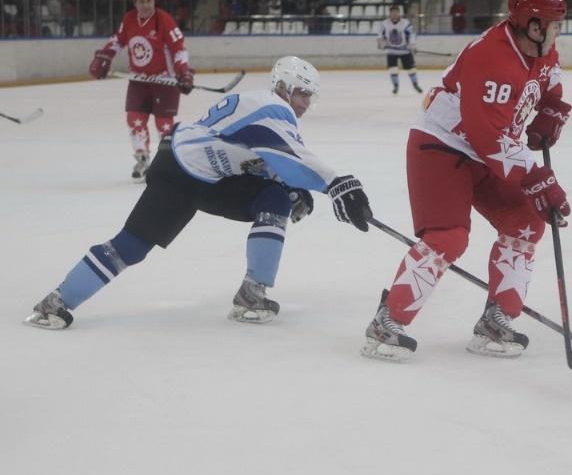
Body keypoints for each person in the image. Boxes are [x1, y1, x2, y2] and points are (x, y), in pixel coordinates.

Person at [24, 57, 373, 330]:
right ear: (283, 86)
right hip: (181, 171)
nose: (306, 103)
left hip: (210, 175)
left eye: (310, 96)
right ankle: (57, 301)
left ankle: (252, 294)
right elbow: (290, 156)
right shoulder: (272, 109)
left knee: (276, 199)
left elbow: (263, 159)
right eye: (303, 93)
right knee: (132, 245)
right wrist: (336, 182)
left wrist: (294, 190)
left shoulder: (265, 109)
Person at [360, 0, 572, 363]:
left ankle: (496, 320)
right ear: (534, 25)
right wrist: (539, 177)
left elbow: (549, 81)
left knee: (526, 220)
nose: (559, 33)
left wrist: (552, 109)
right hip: (441, 147)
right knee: (448, 238)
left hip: (486, 151)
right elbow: (488, 138)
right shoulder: (494, 59)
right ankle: (386, 321)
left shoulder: (542, 48)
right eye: (555, 25)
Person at [88, 0, 195, 182]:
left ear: (154, 0)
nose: (145, 5)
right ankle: (142, 158)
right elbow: (117, 41)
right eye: (141, 1)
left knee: (164, 125)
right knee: (134, 118)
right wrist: (105, 56)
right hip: (138, 79)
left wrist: (183, 71)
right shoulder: (129, 19)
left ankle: (169, 161)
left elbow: (178, 48)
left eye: (149, 0)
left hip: (165, 80)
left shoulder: (164, 20)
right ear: (135, 2)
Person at [377, 5, 421, 94]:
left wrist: (412, 44)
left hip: (405, 50)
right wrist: (382, 43)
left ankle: (415, 84)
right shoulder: (385, 23)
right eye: (392, 12)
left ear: (399, 13)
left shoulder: (405, 23)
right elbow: (380, 35)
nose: (394, 14)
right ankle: (395, 86)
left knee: (411, 69)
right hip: (392, 51)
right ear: (390, 13)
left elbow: (412, 34)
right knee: (393, 70)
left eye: (396, 12)